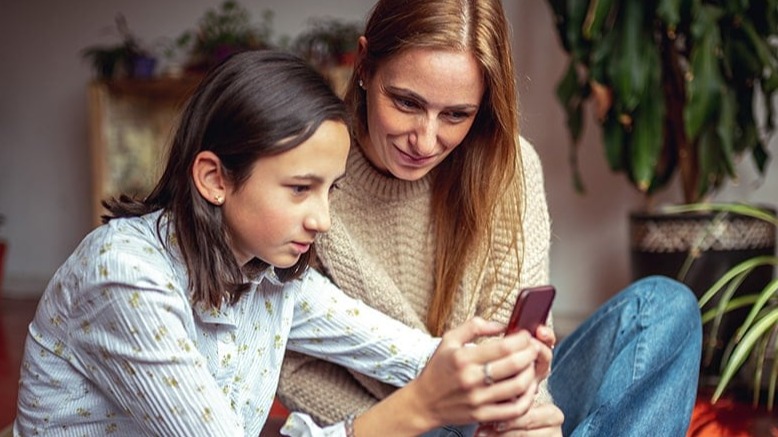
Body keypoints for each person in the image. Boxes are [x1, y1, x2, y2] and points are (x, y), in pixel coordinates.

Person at [13, 50, 549, 437]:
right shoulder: (124, 275)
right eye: (300, 189)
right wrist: (418, 409)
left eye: (329, 189)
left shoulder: (269, 274)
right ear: (215, 179)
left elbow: (409, 353)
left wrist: (501, 371)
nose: (322, 219)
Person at [277, 0, 703, 435]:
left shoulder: (509, 167)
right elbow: (291, 363)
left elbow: (515, 337)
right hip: (400, 423)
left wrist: (523, 418)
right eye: (406, 102)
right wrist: (431, 416)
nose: (425, 140)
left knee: (664, 308)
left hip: (495, 409)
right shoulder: (306, 176)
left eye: (456, 114)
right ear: (365, 65)